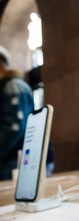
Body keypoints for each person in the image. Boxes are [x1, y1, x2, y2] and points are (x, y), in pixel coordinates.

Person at [0, 45, 34, 180]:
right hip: (14, 157)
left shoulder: (13, 86)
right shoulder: (8, 86)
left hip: (18, 159)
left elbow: (14, 127)